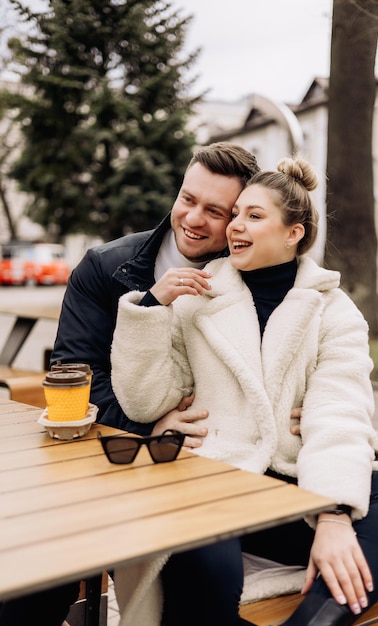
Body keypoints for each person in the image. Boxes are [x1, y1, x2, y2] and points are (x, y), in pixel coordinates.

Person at [110, 156, 378, 626]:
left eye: (254, 216)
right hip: (216, 481)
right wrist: (150, 307)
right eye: (236, 214)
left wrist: (332, 514)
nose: (235, 225)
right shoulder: (196, 297)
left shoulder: (334, 312)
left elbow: (340, 411)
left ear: (293, 232)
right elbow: (144, 401)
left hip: (294, 487)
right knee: (203, 563)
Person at [0, 142, 260, 626]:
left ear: (239, 218)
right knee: (36, 567)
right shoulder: (105, 267)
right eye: (188, 198)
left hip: (204, 465)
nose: (194, 218)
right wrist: (148, 423)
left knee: (205, 568)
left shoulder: (252, 277)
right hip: (104, 456)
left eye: (215, 211)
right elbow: (75, 373)